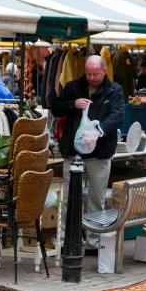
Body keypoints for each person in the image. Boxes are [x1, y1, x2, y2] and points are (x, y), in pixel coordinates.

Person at [51, 55, 125, 219]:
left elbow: (118, 115)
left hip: (100, 153)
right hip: (73, 152)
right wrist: (73, 104)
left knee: (96, 200)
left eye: (95, 74)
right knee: (68, 198)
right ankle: (65, 240)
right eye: (88, 73)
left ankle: (92, 242)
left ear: (104, 71)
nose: (91, 77)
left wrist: (99, 131)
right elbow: (56, 107)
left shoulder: (114, 90)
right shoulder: (72, 87)